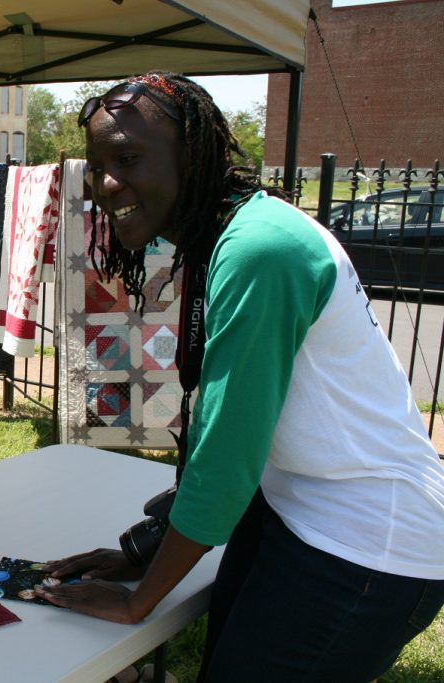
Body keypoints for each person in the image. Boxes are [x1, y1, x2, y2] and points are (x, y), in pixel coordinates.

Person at [35, 72, 444, 681]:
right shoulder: (226, 232)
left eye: (128, 158)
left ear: (193, 155)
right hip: (296, 509)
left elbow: (226, 461)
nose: (106, 185)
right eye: (95, 167)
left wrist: (140, 600)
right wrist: (138, 552)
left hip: (365, 545)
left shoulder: (259, 248)